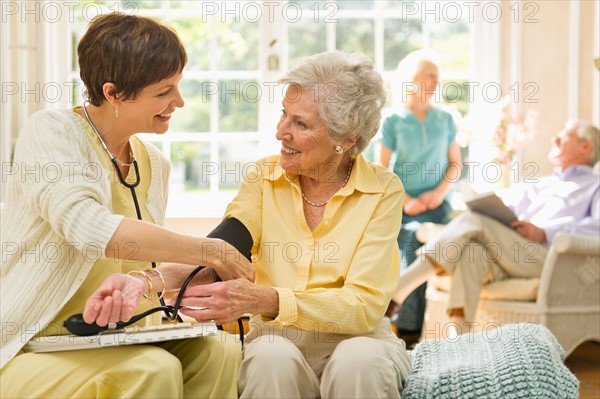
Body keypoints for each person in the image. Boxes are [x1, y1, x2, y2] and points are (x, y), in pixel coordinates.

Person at [87, 50, 412, 398]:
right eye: (284, 115)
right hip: (279, 339)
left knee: (357, 361)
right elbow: (221, 250)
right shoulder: (264, 177)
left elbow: (363, 307)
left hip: (361, 340)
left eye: (300, 124)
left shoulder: (382, 190)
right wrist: (145, 281)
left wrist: (267, 300)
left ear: (346, 139)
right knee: (270, 357)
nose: (280, 132)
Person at [0, 13, 253, 398]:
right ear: (114, 92)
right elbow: (88, 227)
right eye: (164, 91)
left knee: (219, 350)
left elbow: (139, 267)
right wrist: (210, 250)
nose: (179, 102)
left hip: (114, 340)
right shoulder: (50, 132)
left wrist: (144, 289)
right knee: (153, 369)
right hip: (29, 341)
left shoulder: (154, 164)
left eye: (178, 87)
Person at [391, 120, 600, 336]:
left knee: (474, 220)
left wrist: (545, 232)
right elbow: (505, 203)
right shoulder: (541, 183)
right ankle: (460, 341)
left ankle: (401, 287)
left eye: (565, 135)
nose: (554, 139)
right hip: (516, 252)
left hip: (554, 258)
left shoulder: (595, 185)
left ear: (586, 147)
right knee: (472, 252)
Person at [376, 50, 462, 333]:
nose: (436, 82)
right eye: (430, 76)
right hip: (403, 206)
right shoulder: (392, 121)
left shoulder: (447, 118)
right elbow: (382, 169)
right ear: (412, 79)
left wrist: (438, 194)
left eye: (438, 77)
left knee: (449, 244)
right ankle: (407, 327)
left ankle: (439, 325)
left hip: (438, 204)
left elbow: (455, 165)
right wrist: (407, 200)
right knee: (413, 240)